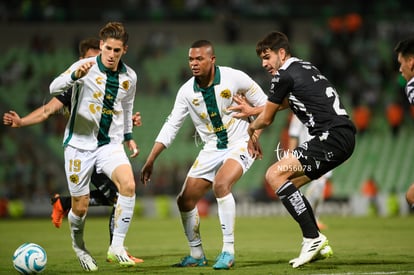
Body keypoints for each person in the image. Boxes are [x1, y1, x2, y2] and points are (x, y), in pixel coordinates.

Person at [3, 38, 143, 264]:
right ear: (82, 59)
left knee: (123, 191)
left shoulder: (114, 79)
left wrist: (127, 128)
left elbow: (118, 108)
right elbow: (48, 109)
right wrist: (22, 122)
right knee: (92, 202)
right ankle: (77, 233)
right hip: (80, 149)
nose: (102, 58)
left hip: (105, 148)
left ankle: (116, 248)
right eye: (93, 55)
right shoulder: (77, 82)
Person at [140, 39, 267, 270]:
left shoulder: (234, 77)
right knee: (184, 200)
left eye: (199, 59)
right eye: (191, 59)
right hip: (211, 148)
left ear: (212, 59)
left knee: (221, 185)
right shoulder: (186, 91)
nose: (194, 63)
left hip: (241, 142)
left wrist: (254, 136)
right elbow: (171, 125)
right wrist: (151, 159)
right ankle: (196, 254)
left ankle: (228, 251)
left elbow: (267, 106)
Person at [247, 31, 356, 268]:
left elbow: (267, 120)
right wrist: (255, 111)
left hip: (331, 138)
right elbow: (289, 101)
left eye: (267, 57)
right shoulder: (304, 67)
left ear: (282, 53)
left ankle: (313, 238)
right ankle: (317, 241)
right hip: (343, 137)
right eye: (261, 59)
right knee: (290, 185)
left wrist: (251, 129)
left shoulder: (283, 75)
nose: (264, 64)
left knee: (274, 174)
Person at [49, 22, 139, 271]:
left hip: (109, 144)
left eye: (117, 50)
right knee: (80, 205)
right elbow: (53, 88)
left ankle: (116, 247)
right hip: (79, 146)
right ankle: (80, 249)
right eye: (108, 48)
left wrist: (129, 135)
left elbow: (128, 106)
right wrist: (73, 77)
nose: (111, 55)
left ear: (125, 50)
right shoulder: (83, 67)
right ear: (101, 46)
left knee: (128, 185)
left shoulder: (129, 77)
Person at [288, 114, 332, 230]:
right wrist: (289, 158)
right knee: (318, 183)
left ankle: (314, 219)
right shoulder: (298, 112)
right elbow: (293, 135)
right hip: (308, 153)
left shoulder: (322, 109)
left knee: (320, 186)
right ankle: (309, 219)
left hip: (325, 153)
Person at [394, 38, 414, 209]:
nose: (400, 69)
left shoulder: (412, 86)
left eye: (401, 63)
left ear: (411, 61)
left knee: (411, 196)